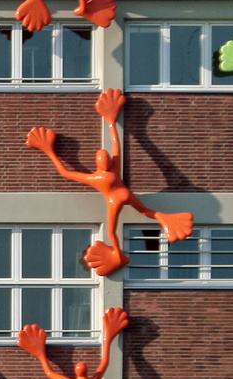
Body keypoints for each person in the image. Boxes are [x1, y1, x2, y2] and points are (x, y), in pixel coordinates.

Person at [26, 88, 192, 276]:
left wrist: (50, 151)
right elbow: (115, 145)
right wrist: (111, 121)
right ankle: (161, 221)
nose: (106, 161)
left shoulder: (99, 176)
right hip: (123, 195)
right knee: (143, 213)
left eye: (105, 160)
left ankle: (122, 250)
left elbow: (67, 171)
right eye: (103, 160)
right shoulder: (109, 170)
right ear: (100, 162)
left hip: (116, 199)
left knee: (115, 229)